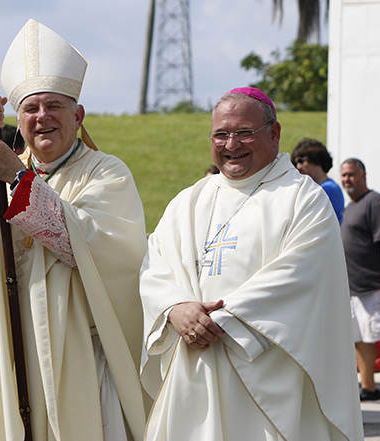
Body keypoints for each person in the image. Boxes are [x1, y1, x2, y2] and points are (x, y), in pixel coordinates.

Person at [0, 19, 148, 441]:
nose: (42, 117)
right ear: (19, 118)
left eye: (54, 106)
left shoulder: (105, 173)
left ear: (78, 114)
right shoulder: (2, 169)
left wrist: (19, 181)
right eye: (30, 108)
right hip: (15, 345)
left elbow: (89, 247)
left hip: (82, 354)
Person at [139, 87, 363, 440]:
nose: (231, 144)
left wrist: (218, 319)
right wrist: (175, 308)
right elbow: (155, 265)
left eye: (244, 132)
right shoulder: (189, 201)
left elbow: (300, 275)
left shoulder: (303, 199)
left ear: (274, 134)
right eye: (220, 134)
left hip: (267, 380)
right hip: (193, 375)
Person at [341, 158, 380, 401]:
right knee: (361, 340)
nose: (346, 180)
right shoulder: (351, 206)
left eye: (351, 174)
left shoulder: (375, 202)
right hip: (354, 291)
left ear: (363, 174)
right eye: (343, 175)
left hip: (375, 288)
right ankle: (369, 387)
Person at [291, 138, 344, 223]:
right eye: (296, 163)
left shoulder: (329, 188)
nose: (298, 167)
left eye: (301, 161)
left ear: (315, 159)